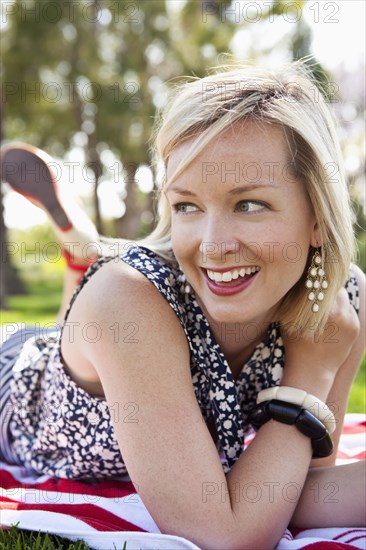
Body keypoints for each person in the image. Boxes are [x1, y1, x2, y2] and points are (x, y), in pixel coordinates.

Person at [0, 61, 365, 550]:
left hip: (98, 330)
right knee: (90, 316)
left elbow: (298, 483)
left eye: (248, 204)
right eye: (187, 205)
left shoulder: (342, 302)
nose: (212, 246)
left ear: (318, 217)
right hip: (18, 381)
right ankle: (86, 264)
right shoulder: (130, 301)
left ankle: (84, 258)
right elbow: (224, 537)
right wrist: (310, 375)